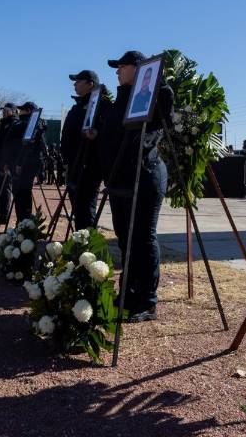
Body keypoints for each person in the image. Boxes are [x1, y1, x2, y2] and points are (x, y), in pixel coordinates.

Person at [96, 50, 173, 323]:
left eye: (121, 66)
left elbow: (152, 135)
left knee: (142, 236)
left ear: (138, 68)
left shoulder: (158, 93)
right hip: (119, 178)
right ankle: (128, 291)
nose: (117, 71)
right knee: (125, 237)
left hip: (145, 174)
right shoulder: (121, 100)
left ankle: (147, 301)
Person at [62, 70, 111, 229]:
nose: (75, 84)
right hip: (73, 164)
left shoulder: (102, 105)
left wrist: (97, 134)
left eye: (78, 81)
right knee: (77, 208)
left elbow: (110, 132)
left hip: (89, 165)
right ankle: (79, 244)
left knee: (86, 208)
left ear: (90, 84)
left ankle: (88, 247)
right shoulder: (78, 106)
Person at [11, 102, 47, 222]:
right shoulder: (26, 123)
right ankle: (22, 221)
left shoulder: (30, 124)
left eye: (23, 110)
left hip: (26, 163)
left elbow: (27, 146)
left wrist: (20, 163)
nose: (20, 112)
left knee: (23, 193)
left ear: (29, 111)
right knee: (20, 193)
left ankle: (23, 221)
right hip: (23, 162)